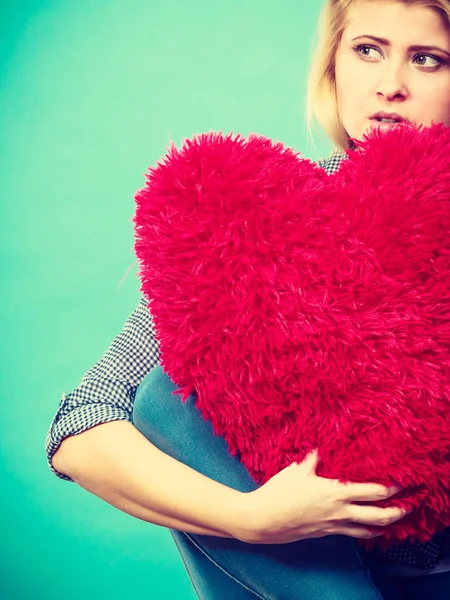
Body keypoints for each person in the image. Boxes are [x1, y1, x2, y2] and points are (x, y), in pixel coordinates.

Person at [45, 0, 450, 598]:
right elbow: (79, 426)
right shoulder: (256, 222)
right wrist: (253, 520)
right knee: (162, 397)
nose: (391, 86)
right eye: (368, 50)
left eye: (427, 59)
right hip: (307, 569)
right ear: (333, 67)